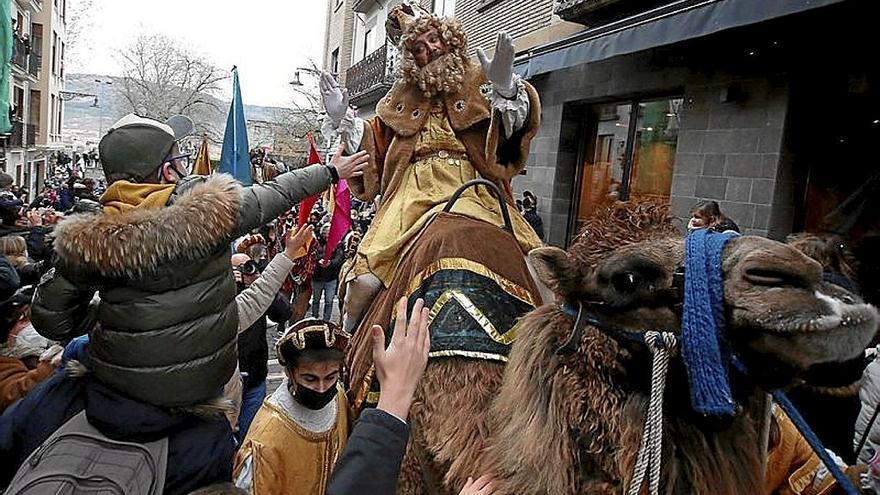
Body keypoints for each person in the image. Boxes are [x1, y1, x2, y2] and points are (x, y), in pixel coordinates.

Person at [1, 114, 367, 492]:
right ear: (168, 171)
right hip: (195, 417)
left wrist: (116, 321)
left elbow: (52, 319)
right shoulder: (209, 217)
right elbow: (276, 194)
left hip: (110, 398)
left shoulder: (90, 240)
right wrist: (331, 171)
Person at [320, 5, 545, 332]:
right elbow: (375, 151)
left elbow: (508, 141)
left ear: (448, 39)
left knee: (540, 276)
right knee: (363, 284)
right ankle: (349, 346)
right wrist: (345, 122)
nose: (429, 51)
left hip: (472, 189)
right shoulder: (399, 97)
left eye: (433, 40)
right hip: (410, 194)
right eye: (418, 48)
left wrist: (508, 91)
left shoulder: (481, 77)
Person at [233, 318, 350, 494]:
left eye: (330, 377)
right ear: (289, 373)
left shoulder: (339, 398)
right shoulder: (266, 439)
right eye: (310, 379)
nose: (321, 388)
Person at [312, 222, 345, 322]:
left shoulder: (338, 245)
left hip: (331, 278)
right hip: (318, 277)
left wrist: (330, 263)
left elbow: (339, 259)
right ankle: (315, 317)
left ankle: (326, 320)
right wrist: (319, 261)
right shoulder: (317, 243)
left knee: (329, 301)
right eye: (325, 235)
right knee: (316, 300)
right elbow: (314, 255)